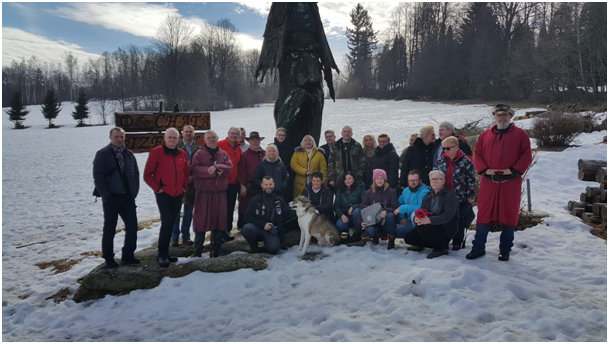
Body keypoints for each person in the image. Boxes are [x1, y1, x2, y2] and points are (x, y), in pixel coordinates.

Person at [467, 104, 532, 262]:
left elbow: (526, 155)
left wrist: (513, 170)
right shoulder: (485, 135)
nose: (502, 118)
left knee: (509, 215)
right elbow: (478, 154)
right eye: (499, 115)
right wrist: (485, 170)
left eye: (505, 115)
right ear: (494, 116)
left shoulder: (520, 134)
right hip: (489, 182)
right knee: (484, 214)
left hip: (511, 182)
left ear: (510, 116)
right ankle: (478, 248)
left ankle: (505, 250)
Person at [93, 127, 140, 268]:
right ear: (110, 137)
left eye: (121, 137)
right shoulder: (102, 154)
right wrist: (107, 196)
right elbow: (98, 177)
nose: (119, 139)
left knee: (132, 227)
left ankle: (128, 255)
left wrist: (134, 192)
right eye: (116, 137)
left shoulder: (129, 154)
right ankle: (108, 258)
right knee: (109, 229)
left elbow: (135, 174)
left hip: (127, 197)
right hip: (111, 198)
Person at [144, 128, 190, 267]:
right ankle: (162, 255)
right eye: (169, 137)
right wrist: (157, 188)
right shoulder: (156, 152)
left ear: (178, 139)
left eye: (175, 138)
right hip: (164, 194)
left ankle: (167, 253)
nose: (172, 140)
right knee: (167, 223)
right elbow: (147, 175)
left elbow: (186, 172)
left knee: (171, 222)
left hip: (178, 194)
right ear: (165, 138)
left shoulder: (181, 153)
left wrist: (184, 186)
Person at [190, 130, 233, 257]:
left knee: (219, 220)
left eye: (214, 137)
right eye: (209, 138)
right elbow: (195, 169)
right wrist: (210, 171)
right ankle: (198, 248)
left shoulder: (223, 154)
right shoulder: (199, 153)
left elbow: (229, 167)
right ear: (205, 140)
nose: (212, 139)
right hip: (203, 193)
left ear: (217, 138)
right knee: (201, 220)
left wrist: (218, 167)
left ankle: (216, 248)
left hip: (219, 193)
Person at [403, 170, 459, 259]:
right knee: (409, 237)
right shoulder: (428, 197)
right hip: (430, 226)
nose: (435, 181)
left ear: (443, 181)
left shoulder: (450, 196)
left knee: (423, 227)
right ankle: (425, 244)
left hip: (445, 227)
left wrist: (429, 220)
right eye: (433, 179)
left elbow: (448, 216)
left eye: (438, 179)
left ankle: (441, 247)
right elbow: (421, 211)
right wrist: (416, 218)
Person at [437, 136, 476, 250]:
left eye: (448, 148)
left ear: (456, 147)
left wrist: (470, 195)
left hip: (460, 196)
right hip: (444, 196)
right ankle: (445, 239)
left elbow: (471, 180)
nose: (445, 151)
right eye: (444, 148)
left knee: (459, 220)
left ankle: (457, 242)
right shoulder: (440, 161)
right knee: (445, 219)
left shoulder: (466, 162)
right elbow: (435, 176)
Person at [242, 176, 295, 254]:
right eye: (266, 184)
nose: (268, 187)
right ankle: (254, 247)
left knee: (274, 249)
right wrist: (263, 225)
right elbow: (247, 217)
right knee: (247, 228)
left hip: (271, 231)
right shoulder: (255, 200)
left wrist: (302, 212)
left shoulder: (279, 200)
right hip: (258, 229)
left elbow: (288, 215)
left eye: (270, 184)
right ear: (262, 185)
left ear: (274, 185)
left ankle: (268, 244)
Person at [171, 125, 201, 247]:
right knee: (175, 212)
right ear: (182, 134)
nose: (188, 134)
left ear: (194, 134)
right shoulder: (175, 147)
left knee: (188, 212)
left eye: (191, 132)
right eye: (186, 132)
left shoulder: (199, 148)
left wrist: (193, 176)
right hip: (177, 184)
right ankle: (174, 237)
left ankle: (186, 236)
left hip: (192, 185)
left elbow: (200, 165)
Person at [358, 169, 398, 249]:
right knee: (370, 231)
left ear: (385, 180)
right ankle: (375, 237)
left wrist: (386, 211)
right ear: (374, 180)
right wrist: (361, 221)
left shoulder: (391, 192)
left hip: (386, 221)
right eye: (377, 178)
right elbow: (362, 207)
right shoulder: (368, 193)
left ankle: (391, 239)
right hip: (374, 221)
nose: (379, 181)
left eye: (381, 178)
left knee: (390, 216)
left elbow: (395, 207)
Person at [236, 131, 266, 229]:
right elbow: (241, 172)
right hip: (249, 186)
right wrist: (242, 186)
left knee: (261, 208)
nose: (255, 142)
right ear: (249, 141)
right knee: (246, 207)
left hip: (263, 186)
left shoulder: (265, 153)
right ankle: (243, 227)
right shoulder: (245, 155)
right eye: (252, 140)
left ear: (259, 141)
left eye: (257, 140)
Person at [217, 127, 242, 242]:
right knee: (221, 208)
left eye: (236, 134)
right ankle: (219, 232)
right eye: (232, 133)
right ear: (228, 134)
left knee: (230, 208)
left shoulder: (238, 148)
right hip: (222, 182)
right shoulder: (220, 144)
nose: (234, 136)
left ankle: (227, 230)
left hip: (233, 183)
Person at [393, 170, 430, 241]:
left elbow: (420, 208)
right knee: (391, 229)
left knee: (395, 232)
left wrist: (403, 208)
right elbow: (399, 204)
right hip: (407, 221)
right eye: (410, 180)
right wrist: (401, 218)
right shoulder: (406, 191)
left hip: (419, 222)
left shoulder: (425, 191)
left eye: (415, 180)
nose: (413, 183)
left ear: (420, 180)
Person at [334, 172, 366, 242]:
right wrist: (341, 215)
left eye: (350, 178)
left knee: (356, 211)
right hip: (346, 215)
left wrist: (354, 206)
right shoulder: (340, 189)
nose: (347, 181)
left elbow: (364, 203)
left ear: (354, 179)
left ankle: (357, 233)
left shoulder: (360, 187)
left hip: (357, 216)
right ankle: (350, 230)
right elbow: (336, 205)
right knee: (339, 225)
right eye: (345, 179)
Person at [274, 127, 294, 201]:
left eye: (283, 135)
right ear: (276, 135)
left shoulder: (290, 147)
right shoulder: (272, 146)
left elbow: (291, 161)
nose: (281, 137)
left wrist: (285, 171)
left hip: (287, 173)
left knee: (287, 195)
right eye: (279, 135)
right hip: (275, 174)